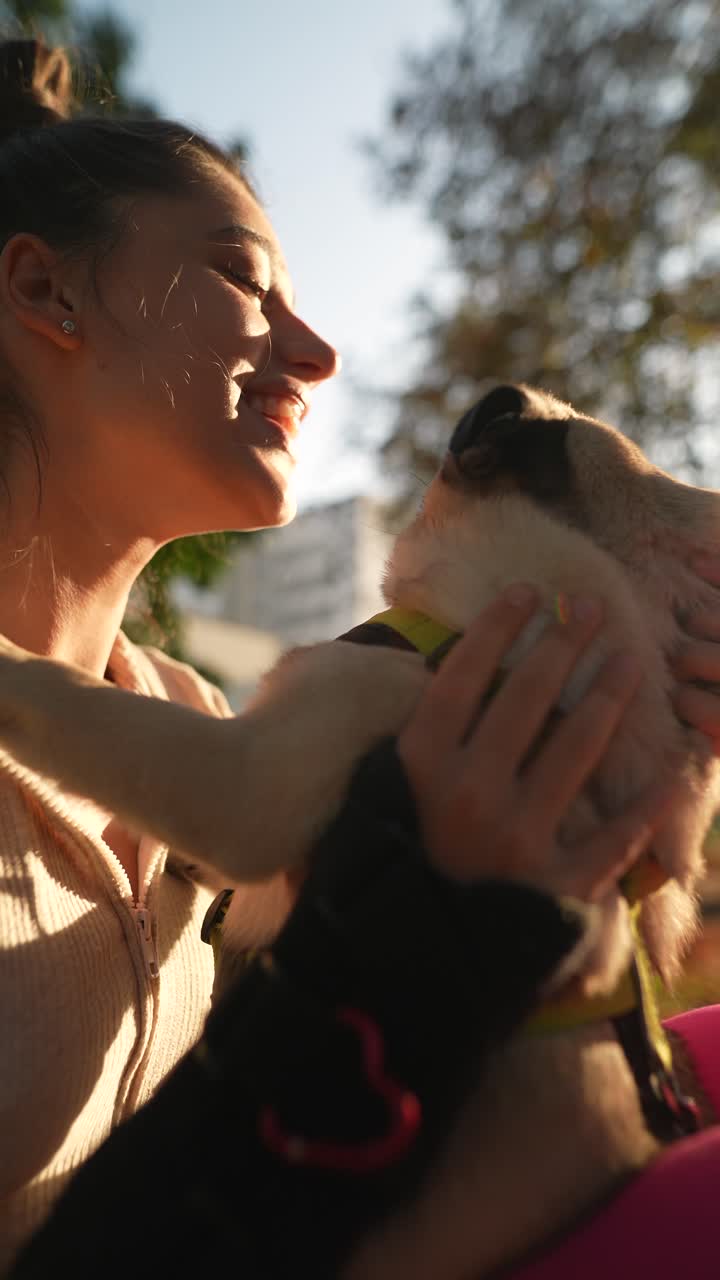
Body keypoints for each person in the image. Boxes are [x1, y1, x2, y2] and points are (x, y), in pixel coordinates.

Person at [3, 32, 720, 1277]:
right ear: (43, 291)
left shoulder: (192, 707)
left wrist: (631, 762)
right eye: (244, 276)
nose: (317, 349)